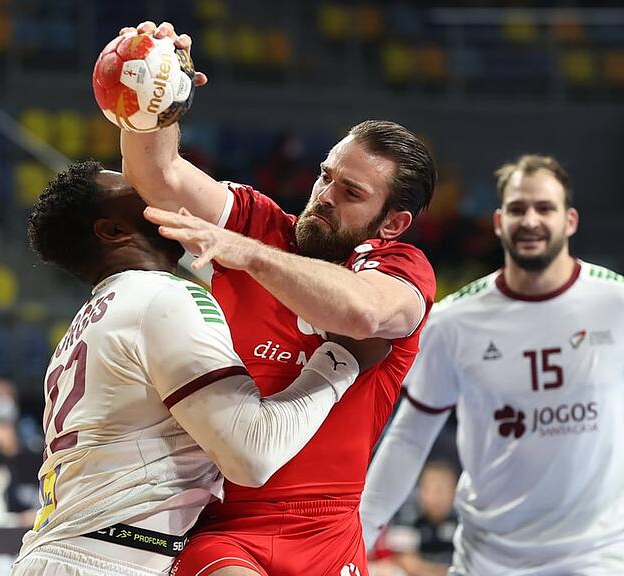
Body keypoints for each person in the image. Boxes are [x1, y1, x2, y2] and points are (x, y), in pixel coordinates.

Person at [117, 21, 437, 576]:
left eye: (351, 192)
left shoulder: (400, 268)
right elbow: (157, 174)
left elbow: (362, 312)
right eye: (325, 177)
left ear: (393, 223)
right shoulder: (260, 224)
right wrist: (157, 97)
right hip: (223, 524)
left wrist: (248, 256)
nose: (324, 196)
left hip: (329, 534)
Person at [360, 154, 624, 575]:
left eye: (544, 208)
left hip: (601, 559)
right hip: (488, 560)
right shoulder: (453, 320)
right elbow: (410, 436)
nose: (530, 220)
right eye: (518, 208)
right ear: (499, 222)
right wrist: (360, 531)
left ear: (570, 221)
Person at [11, 160, 374, 575]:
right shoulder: (164, 296)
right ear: (112, 231)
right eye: (136, 190)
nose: (156, 191)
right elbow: (252, 454)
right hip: (109, 559)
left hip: (68, 550)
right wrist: (339, 362)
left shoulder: (89, 320)